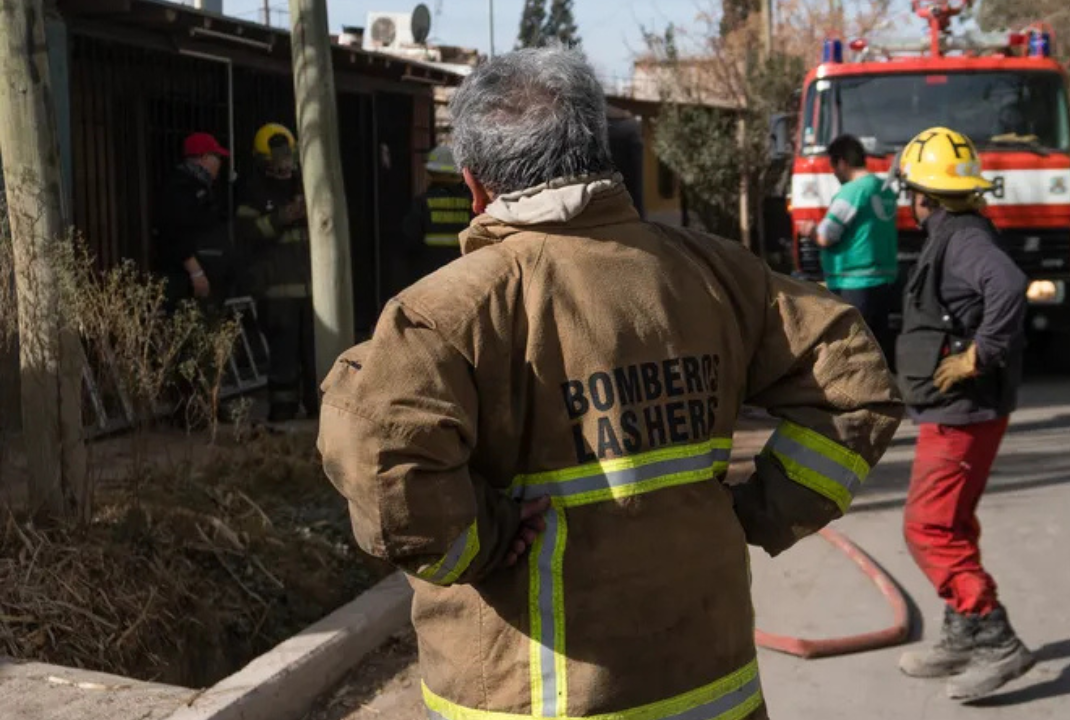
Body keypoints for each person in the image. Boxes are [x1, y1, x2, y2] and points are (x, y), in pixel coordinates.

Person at [317, 47, 904, 720]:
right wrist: (758, 513)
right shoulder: (719, 274)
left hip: (525, 697)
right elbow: (853, 381)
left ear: (475, 185)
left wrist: (476, 544)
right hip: (713, 688)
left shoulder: (443, 315)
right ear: (601, 153)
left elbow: (382, 454)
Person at [892, 126, 1033, 701]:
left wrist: (979, 355)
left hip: (962, 411)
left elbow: (1009, 286)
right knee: (952, 525)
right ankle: (960, 633)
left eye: (909, 191)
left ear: (921, 194)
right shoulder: (955, 231)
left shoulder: (964, 240)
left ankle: (995, 636)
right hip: (965, 408)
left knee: (926, 528)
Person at [235, 122, 316, 423]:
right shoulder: (253, 191)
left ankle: (317, 406)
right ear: (263, 160)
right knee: (283, 357)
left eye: (288, 157)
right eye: (277, 158)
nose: (285, 164)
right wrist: (283, 217)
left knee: (314, 356)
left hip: (312, 291)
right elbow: (247, 234)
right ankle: (282, 412)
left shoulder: (304, 185)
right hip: (276, 290)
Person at [797, 135, 899, 362]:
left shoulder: (851, 193)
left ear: (841, 162)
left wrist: (810, 231)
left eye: (833, 166)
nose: (834, 173)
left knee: (853, 353)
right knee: (878, 349)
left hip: (853, 283)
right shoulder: (884, 189)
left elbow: (826, 237)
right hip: (884, 281)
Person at [154, 132, 231, 312]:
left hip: (208, 277)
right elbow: (175, 232)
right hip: (187, 283)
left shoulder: (203, 187)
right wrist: (196, 272)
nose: (220, 163)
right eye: (216, 157)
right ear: (203, 158)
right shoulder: (180, 188)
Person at [397, 145, 474, 292]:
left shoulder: (422, 202)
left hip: (429, 273)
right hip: (462, 271)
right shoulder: (471, 201)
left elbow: (409, 238)